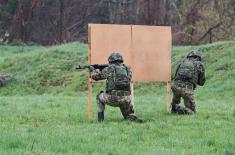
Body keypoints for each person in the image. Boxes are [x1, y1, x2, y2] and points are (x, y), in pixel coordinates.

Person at [89, 52, 142, 123]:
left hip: (113, 98)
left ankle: (100, 120)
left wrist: (93, 70)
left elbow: (95, 77)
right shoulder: (127, 69)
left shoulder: (109, 68)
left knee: (98, 97)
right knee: (127, 115)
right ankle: (130, 115)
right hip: (127, 98)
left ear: (110, 61)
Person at [171, 50, 206, 114]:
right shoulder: (199, 64)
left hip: (175, 87)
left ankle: (175, 108)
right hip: (187, 89)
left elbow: (175, 76)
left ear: (188, 57)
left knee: (174, 107)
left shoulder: (182, 63)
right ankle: (181, 110)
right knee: (192, 112)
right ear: (198, 57)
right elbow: (201, 82)